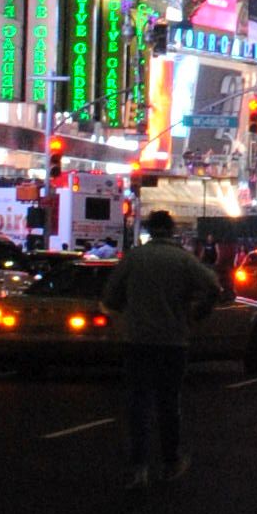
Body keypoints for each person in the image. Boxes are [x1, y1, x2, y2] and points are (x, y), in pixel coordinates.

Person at [102, 210, 222, 490]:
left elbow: (110, 297)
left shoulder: (134, 258)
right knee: (168, 403)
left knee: (138, 405)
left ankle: (138, 468)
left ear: (149, 229)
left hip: (138, 341)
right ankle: (171, 461)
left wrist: (130, 309)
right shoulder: (183, 260)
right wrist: (198, 312)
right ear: (171, 230)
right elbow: (213, 287)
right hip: (173, 341)